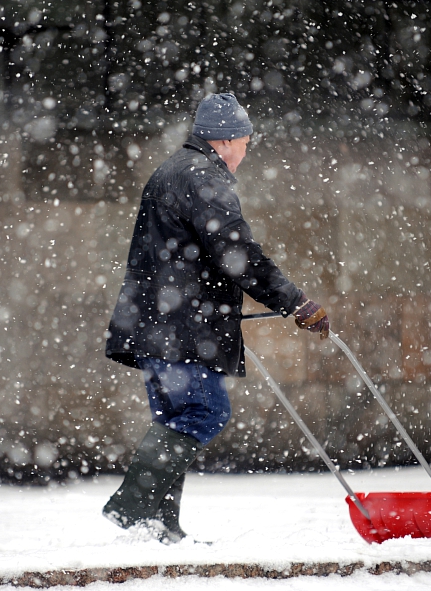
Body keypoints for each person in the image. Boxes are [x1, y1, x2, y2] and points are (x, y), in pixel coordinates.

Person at [102, 93, 328, 543]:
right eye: (245, 141)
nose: (245, 152)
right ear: (225, 140)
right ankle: (132, 508)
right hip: (182, 330)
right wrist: (294, 301)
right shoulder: (203, 177)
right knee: (204, 410)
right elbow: (237, 254)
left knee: (173, 421)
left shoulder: (171, 171)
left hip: (155, 325)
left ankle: (158, 529)